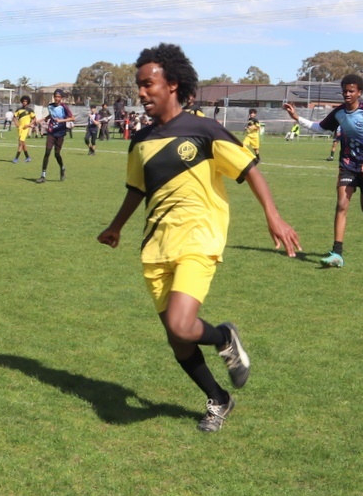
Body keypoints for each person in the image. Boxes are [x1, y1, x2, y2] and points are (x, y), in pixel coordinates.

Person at [97, 43, 300, 433]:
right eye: (138, 86)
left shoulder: (204, 129)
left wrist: (273, 216)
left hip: (198, 239)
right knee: (179, 342)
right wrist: (116, 226)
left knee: (181, 323)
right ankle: (219, 399)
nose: (141, 93)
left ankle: (224, 336)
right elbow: (136, 190)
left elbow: (249, 169)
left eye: (148, 84)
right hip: (155, 247)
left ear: (172, 84)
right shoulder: (139, 140)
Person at [284, 73, 363, 268]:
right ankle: (337, 253)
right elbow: (320, 127)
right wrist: (297, 117)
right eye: (345, 91)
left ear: (360, 92)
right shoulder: (339, 112)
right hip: (348, 165)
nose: (347, 94)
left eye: (351, 91)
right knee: (342, 204)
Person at [36, 89, 74, 183]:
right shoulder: (50, 106)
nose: (57, 98)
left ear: (61, 98)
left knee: (57, 154)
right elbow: (51, 116)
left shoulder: (64, 107)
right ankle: (43, 175)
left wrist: (61, 121)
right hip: (51, 132)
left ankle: (62, 167)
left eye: (59, 97)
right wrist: (41, 119)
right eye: (55, 96)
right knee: (47, 152)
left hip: (60, 133)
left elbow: (72, 118)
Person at [12, 96, 35, 163]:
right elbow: (14, 117)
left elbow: (34, 119)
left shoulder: (30, 110)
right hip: (20, 128)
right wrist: (16, 124)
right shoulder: (18, 109)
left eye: (26, 101)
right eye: (23, 101)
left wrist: (29, 125)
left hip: (26, 128)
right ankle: (28, 157)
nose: (24, 102)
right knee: (23, 143)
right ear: (22, 102)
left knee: (20, 143)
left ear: (28, 102)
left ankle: (16, 158)